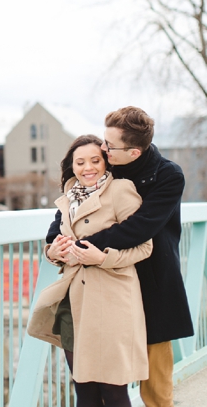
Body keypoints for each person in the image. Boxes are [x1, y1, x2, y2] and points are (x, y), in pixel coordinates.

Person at [45, 107, 193, 407]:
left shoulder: (167, 175)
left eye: (109, 146)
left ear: (134, 152)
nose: (102, 149)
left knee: (154, 376)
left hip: (152, 276)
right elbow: (70, 213)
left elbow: (140, 228)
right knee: (92, 380)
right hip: (101, 284)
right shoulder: (106, 167)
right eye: (104, 141)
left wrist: (80, 248)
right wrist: (57, 246)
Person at [28, 134, 151, 406]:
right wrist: (53, 253)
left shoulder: (121, 190)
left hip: (112, 301)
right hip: (74, 302)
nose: (88, 168)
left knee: (114, 391)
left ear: (106, 163)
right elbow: (54, 243)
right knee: (84, 391)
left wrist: (102, 257)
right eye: (80, 162)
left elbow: (145, 247)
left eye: (95, 160)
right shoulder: (67, 199)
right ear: (71, 166)